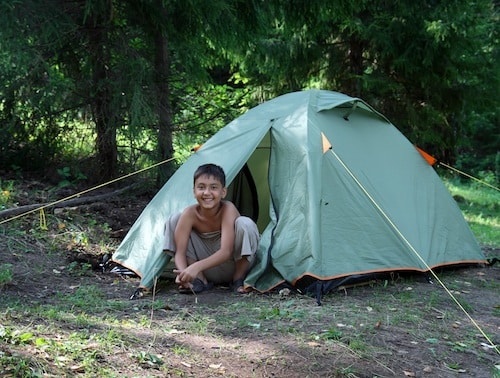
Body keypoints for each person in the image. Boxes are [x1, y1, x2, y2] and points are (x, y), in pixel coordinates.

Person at [163, 163, 260, 294]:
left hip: (231, 264)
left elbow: (226, 252)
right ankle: (198, 281)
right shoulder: (190, 214)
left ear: (223, 192)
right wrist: (183, 273)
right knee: (175, 218)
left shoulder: (227, 209)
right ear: (194, 191)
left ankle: (238, 280)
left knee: (245, 223)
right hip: (202, 270)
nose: (207, 193)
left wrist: (195, 267)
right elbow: (180, 253)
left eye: (213, 187)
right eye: (201, 187)